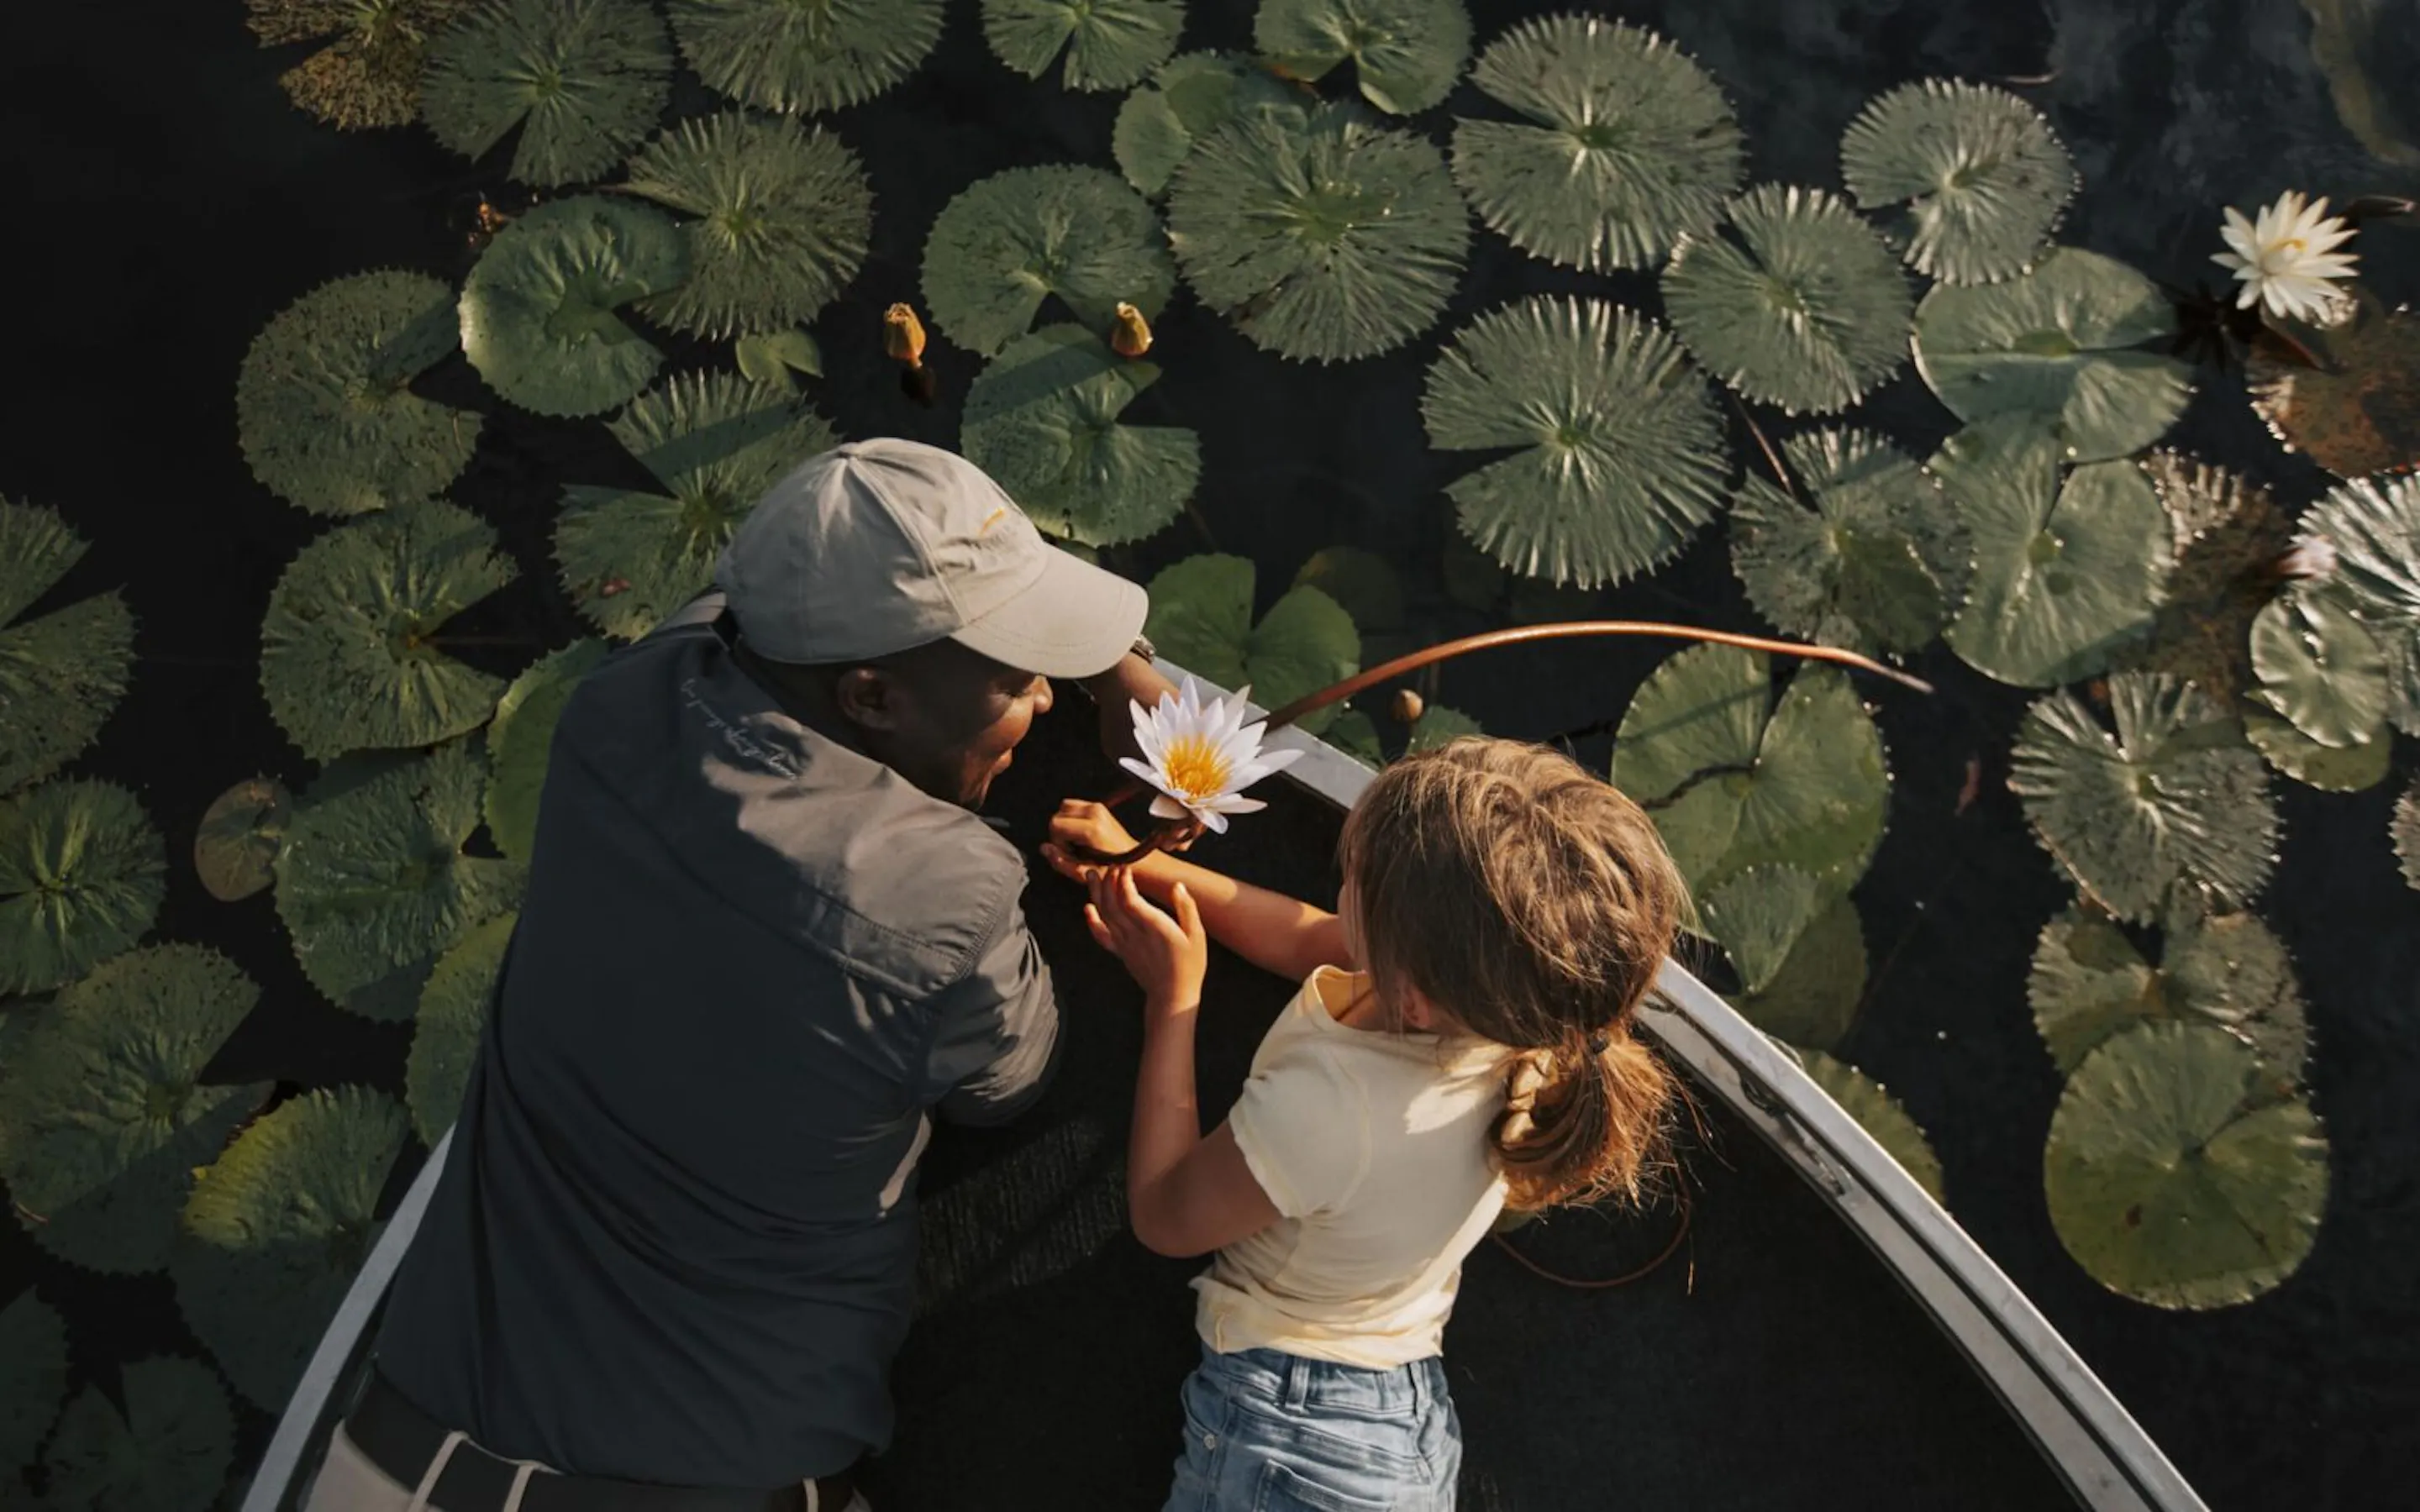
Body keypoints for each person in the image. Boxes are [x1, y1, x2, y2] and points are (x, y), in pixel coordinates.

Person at [305, 439, 1176, 1512]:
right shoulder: (948, 888)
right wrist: (1128, 685)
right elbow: (1011, 1080)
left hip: (398, 1452)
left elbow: (748, 596)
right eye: (1009, 680)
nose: (1041, 702)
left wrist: (1092, 650)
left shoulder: (618, 704)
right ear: (868, 695)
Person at [1043, 738, 1689, 1511]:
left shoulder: (1329, 1109)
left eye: (1353, 877)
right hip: (1400, 1397)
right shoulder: (1520, 1018)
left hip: (1292, 1437)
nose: (1338, 883)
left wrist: (1173, 998)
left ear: (1411, 990)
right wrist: (1142, 863)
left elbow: (1166, 1214)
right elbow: (1312, 937)